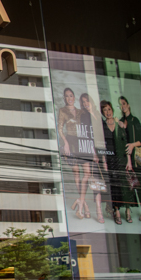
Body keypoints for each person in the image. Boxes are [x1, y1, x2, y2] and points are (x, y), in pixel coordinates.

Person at [117, 96, 141, 226]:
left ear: (128, 105)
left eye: (124, 103)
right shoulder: (121, 121)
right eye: (120, 105)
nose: (123, 106)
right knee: (134, 185)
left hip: (136, 158)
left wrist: (132, 145)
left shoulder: (134, 120)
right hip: (127, 158)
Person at [57, 88, 87, 219]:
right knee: (77, 173)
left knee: (87, 173)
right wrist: (66, 143)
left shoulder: (81, 111)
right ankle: (83, 205)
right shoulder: (62, 111)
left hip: (82, 142)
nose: (69, 98)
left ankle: (81, 200)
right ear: (64, 98)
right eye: (66, 96)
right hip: (70, 142)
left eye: (71, 95)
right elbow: (59, 129)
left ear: (74, 97)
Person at [78, 93, 104, 224]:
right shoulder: (83, 116)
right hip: (87, 149)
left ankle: (98, 210)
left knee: (97, 179)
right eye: (83, 102)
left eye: (86, 101)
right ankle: (83, 205)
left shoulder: (97, 115)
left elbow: (101, 132)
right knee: (88, 175)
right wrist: (93, 152)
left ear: (91, 101)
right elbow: (86, 135)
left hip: (99, 149)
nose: (85, 104)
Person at [99, 100, 124, 225]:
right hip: (109, 158)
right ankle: (116, 210)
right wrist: (103, 159)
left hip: (120, 157)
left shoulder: (119, 123)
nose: (108, 112)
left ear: (112, 110)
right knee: (112, 184)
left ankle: (119, 207)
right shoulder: (102, 126)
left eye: (109, 109)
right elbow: (101, 144)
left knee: (121, 183)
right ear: (102, 113)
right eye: (105, 110)